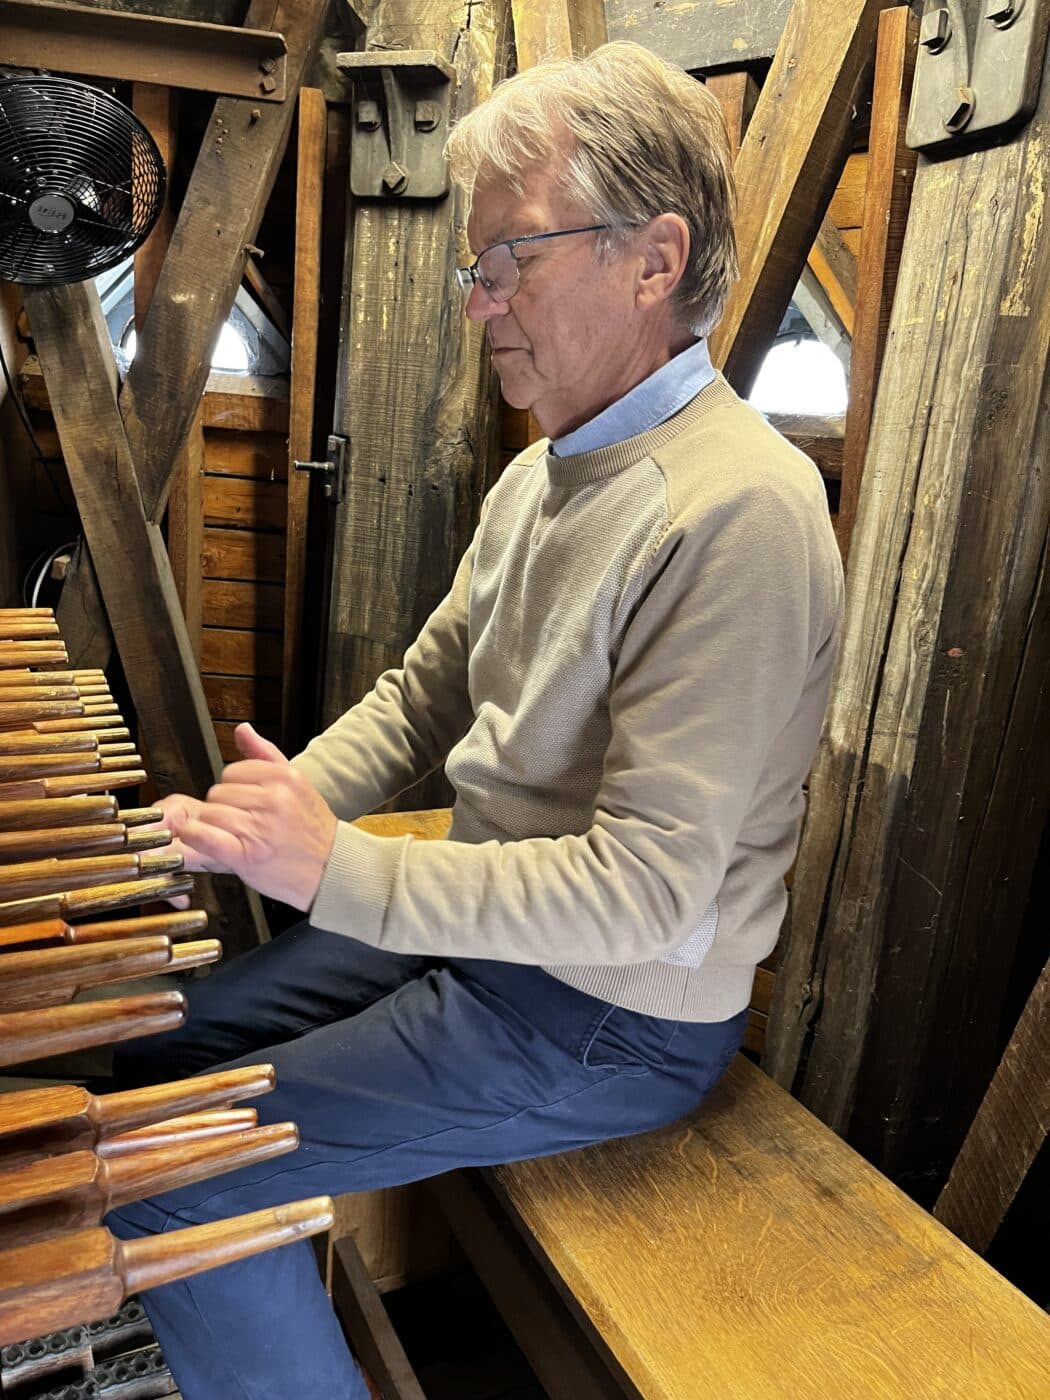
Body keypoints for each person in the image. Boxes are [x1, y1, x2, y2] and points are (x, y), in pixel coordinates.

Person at [109, 41, 844, 1400]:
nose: (478, 302)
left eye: (510, 259)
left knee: (169, 1179)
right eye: (474, 267)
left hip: (610, 1022)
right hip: (485, 952)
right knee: (148, 1053)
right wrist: (247, 826)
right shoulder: (543, 481)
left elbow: (646, 893)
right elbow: (418, 698)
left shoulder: (737, 510)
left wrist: (334, 872)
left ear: (652, 257)